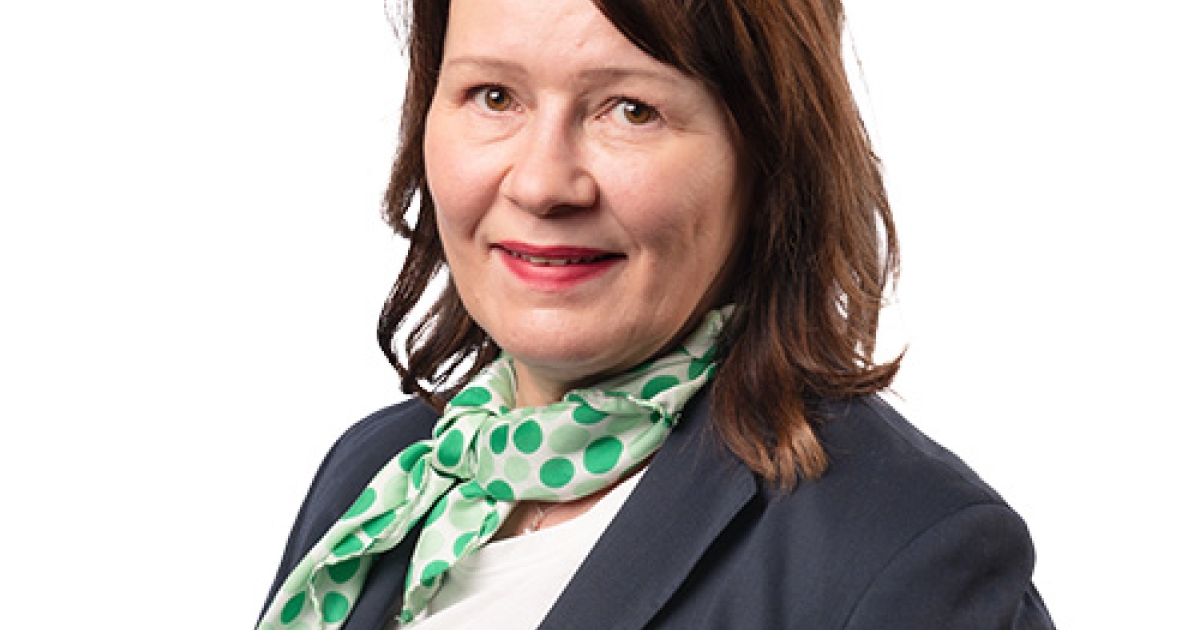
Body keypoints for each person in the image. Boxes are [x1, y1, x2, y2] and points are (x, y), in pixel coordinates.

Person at [256, 0, 1055, 628]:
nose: (541, 184)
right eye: (493, 96)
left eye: (631, 109)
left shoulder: (904, 553)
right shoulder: (375, 475)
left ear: (768, 154)